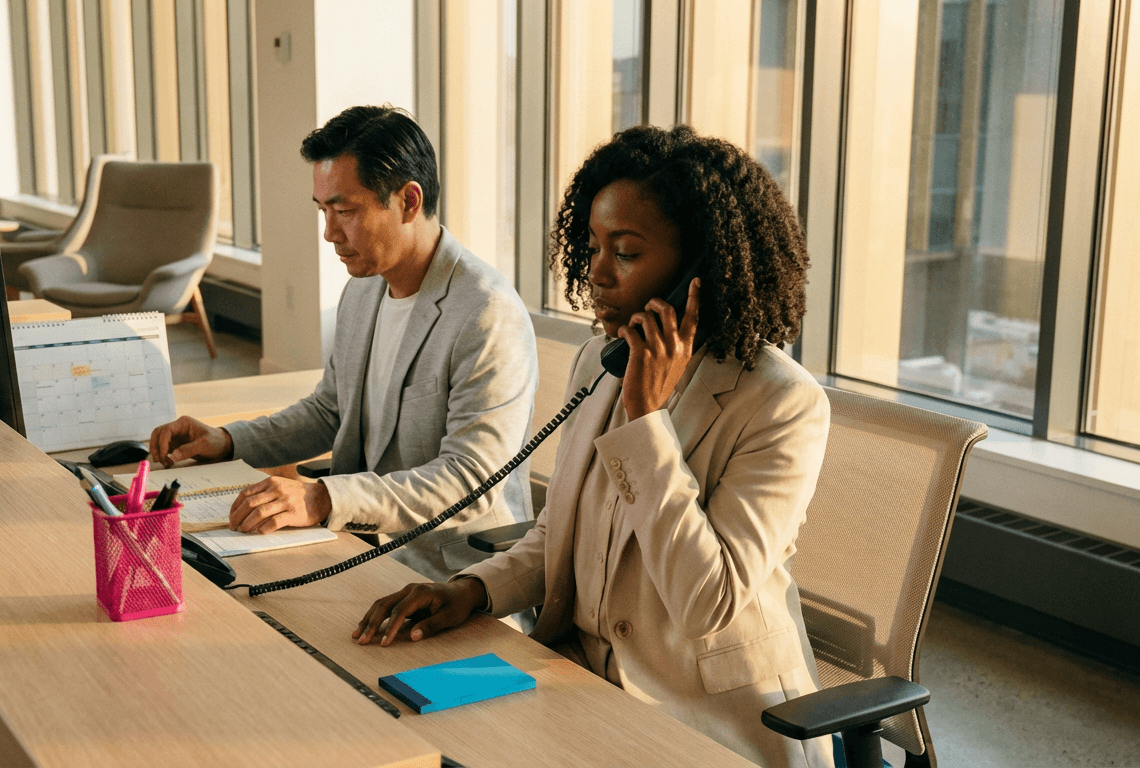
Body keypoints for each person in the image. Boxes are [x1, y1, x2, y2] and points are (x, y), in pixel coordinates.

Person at [352, 125, 834, 768]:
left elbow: (706, 602)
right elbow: (560, 534)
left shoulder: (780, 404)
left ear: (699, 269)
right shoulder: (599, 363)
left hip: (705, 721)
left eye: (626, 253)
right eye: (593, 246)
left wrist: (646, 423)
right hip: (577, 680)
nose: (597, 273)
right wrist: (470, 590)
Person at [150, 106, 538, 583]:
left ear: (409, 202)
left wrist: (323, 498)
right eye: (323, 212)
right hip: (360, 548)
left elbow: (469, 480)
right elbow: (331, 411)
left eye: (345, 212)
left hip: (453, 575)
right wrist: (228, 441)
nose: (330, 234)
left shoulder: (485, 311)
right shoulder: (363, 288)